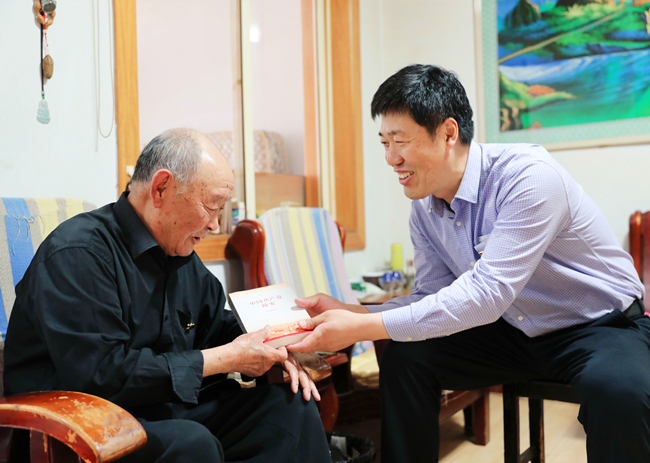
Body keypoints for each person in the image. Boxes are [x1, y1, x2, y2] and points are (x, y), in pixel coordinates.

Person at [287, 64, 650, 463]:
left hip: (598, 326)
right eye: (384, 143)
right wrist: (354, 312)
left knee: (619, 392)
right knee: (405, 355)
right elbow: (430, 296)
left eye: (400, 141)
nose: (391, 158)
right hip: (514, 331)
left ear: (448, 133)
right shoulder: (424, 207)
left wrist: (360, 328)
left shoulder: (528, 177)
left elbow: (487, 294)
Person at [4, 128, 331, 463]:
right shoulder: (79, 253)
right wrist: (226, 359)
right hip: (82, 426)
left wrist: (274, 341)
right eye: (212, 205)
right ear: (161, 188)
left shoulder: (178, 252)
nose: (215, 225)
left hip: (160, 410)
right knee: (192, 443)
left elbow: (214, 324)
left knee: (290, 408)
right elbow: (102, 375)